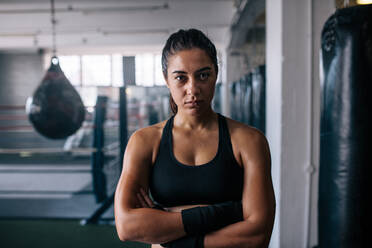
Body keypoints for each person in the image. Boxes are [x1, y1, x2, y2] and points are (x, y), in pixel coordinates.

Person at [114, 29, 275, 248]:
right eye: (181, 78)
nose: (193, 89)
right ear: (166, 80)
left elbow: (257, 236)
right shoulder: (145, 142)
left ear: (215, 75)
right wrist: (230, 212)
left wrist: (168, 231)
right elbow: (127, 226)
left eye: (203, 75)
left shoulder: (249, 141)